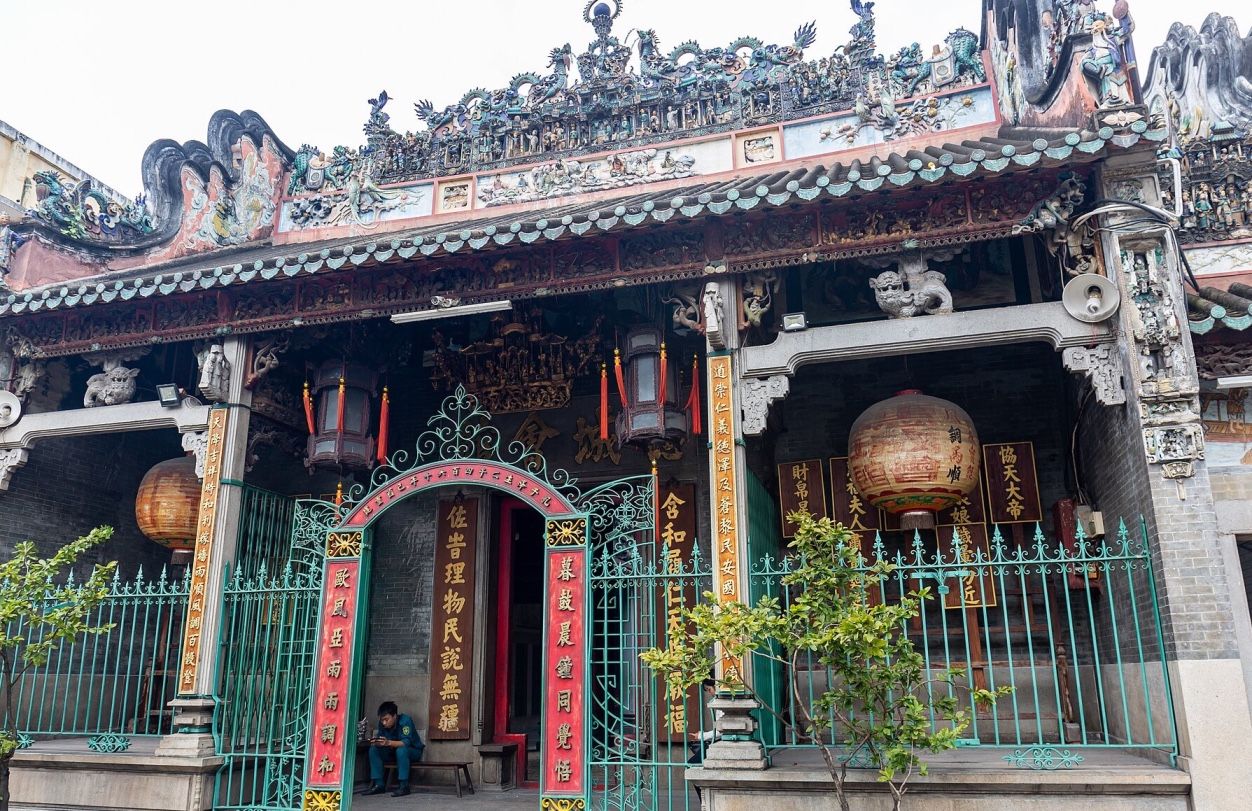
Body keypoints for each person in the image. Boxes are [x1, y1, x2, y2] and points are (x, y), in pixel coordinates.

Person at [365, 701, 425, 797]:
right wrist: (378, 742)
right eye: (382, 720)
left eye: (386, 719)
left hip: (412, 751)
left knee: (401, 750)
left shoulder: (405, 721)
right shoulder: (382, 724)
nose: (384, 722)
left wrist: (388, 742)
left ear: (395, 716)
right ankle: (379, 785)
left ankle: (404, 786)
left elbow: (405, 743)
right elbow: (382, 738)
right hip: (392, 751)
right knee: (374, 749)